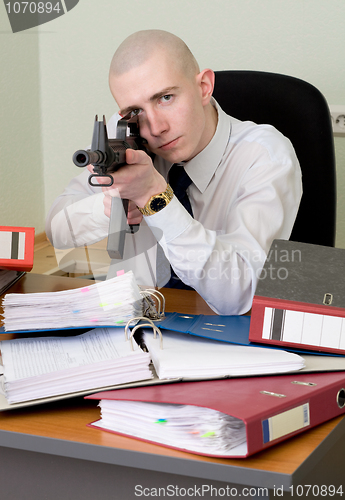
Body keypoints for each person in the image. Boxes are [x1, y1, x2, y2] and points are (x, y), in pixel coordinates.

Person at [46, 30, 302, 315]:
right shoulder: (126, 145)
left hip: (228, 341)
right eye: (135, 111)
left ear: (204, 86)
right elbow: (56, 229)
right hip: (134, 330)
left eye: (165, 97)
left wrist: (156, 198)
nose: (155, 128)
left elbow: (239, 295)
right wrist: (105, 209)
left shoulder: (265, 155)